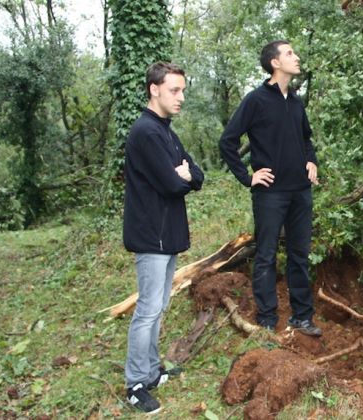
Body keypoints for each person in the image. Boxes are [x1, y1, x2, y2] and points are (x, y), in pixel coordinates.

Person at [219, 40, 322, 337]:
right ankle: (266, 321)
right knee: (265, 256)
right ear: (275, 63)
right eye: (290, 53)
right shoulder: (256, 100)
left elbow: (306, 139)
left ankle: (302, 317)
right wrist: (247, 176)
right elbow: (227, 141)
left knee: (299, 254)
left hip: (300, 191)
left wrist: (311, 161)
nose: (297, 56)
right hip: (270, 194)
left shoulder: (296, 101)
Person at [122, 62, 204, 414]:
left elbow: (197, 175)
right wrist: (182, 175)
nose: (181, 97)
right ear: (154, 89)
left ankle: (151, 371)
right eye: (174, 90)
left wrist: (186, 173)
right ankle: (136, 383)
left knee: (159, 306)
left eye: (183, 90)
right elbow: (174, 183)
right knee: (148, 309)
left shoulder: (166, 131)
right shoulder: (147, 132)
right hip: (150, 234)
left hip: (167, 234)